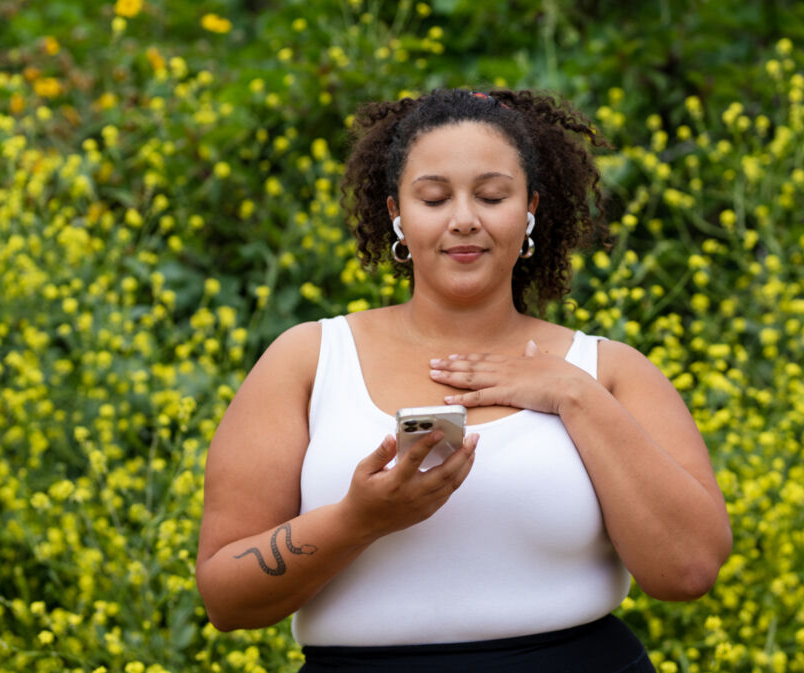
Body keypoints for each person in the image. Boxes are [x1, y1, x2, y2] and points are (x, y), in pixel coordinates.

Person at [195, 88, 733, 672]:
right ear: (396, 212)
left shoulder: (608, 370)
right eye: (433, 198)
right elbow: (226, 600)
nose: (463, 220)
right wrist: (358, 521)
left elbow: (688, 571)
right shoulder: (309, 359)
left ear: (529, 207)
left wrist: (572, 394)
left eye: (492, 195)